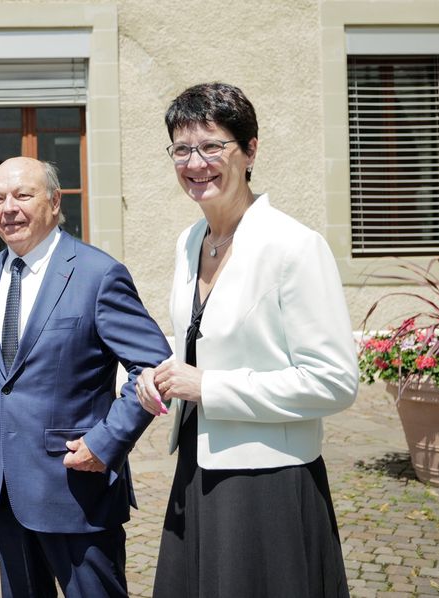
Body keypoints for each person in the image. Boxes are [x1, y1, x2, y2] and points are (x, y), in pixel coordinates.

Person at [136, 82, 358, 597]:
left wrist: (209, 388)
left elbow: (335, 382)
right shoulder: (190, 241)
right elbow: (199, 341)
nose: (196, 163)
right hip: (198, 470)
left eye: (213, 146)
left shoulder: (295, 247)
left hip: (267, 484)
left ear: (251, 149)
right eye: (182, 149)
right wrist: (162, 374)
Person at [0, 157, 172, 597]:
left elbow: (154, 367)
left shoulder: (97, 274)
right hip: (6, 491)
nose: (8, 208)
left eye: (22, 195)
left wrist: (106, 443)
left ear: (54, 200)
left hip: (75, 490)